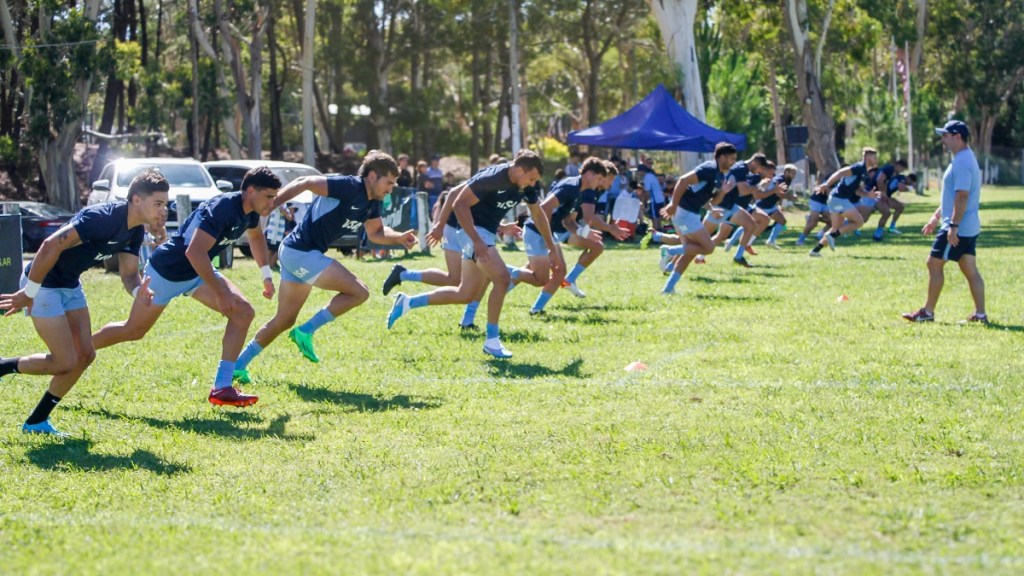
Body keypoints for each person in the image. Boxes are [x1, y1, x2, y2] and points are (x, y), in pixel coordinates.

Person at [90, 167, 282, 407]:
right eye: (269, 197)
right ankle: (80, 349)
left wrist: (266, 274)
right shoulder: (223, 208)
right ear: (251, 191)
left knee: (243, 312)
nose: (272, 203)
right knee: (133, 331)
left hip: (197, 271)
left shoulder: (250, 211)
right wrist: (221, 293)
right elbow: (194, 251)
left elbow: (255, 237)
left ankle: (222, 388)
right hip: (166, 271)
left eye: (275, 197)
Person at [0, 170, 170, 435]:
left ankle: (36, 421)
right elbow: (49, 246)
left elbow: (128, 274)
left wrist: (140, 294)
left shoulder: (134, 231)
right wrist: (28, 292)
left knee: (86, 354)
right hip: (43, 283)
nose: (163, 210)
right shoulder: (102, 218)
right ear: (137, 200)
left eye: (165, 204)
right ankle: (3, 366)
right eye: (158, 203)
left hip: (70, 284)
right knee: (64, 361)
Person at [232, 151, 417, 383]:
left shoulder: (372, 204)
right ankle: (306, 330)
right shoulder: (349, 186)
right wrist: (272, 204)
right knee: (359, 292)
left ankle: (238, 366)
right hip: (301, 252)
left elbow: (377, 233)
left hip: (297, 253)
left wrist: (399, 237)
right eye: (388, 182)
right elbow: (305, 182)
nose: (391, 188)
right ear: (371, 176)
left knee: (284, 320)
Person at [386, 150, 562, 358]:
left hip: (484, 233)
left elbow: (538, 214)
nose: (533, 184)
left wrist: (551, 245)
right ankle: (492, 341)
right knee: (502, 279)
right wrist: (474, 240)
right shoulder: (493, 177)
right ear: (518, 169)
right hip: (472, 232)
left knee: (465, 293)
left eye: (535, 180)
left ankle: (407, 302)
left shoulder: (527, 187)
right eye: (531, 178)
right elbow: (459, 203)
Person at [903, 120, 987, 324]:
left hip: (959, 226)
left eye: (945, 135)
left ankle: (928, 312)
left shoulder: (963, 162)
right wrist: (936, 216)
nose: (942, 139)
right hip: (965, 225)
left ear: (957, 136)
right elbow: (952, 196)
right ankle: (981, 315)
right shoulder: (962, 158)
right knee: (969, 268)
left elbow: (962, 197)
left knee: (933, 263)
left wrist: (953, 226)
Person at [520, 157, 627, 314]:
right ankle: (504, 273)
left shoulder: (579, 191)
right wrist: (549, 244)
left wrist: (585, 232)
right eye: (601, 178)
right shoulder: (573, 186)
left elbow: (569, 221)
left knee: (557, 271)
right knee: (539, 277)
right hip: (538, 231)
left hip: (552, 231)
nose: (603, 183)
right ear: (590, 174)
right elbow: (545, 208)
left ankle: (536, 309)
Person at [659, 142, 737, 295]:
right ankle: (670, 250)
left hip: (688, 215)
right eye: (731, 159)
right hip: (684, 213)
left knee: (689, 252)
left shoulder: (719, 175)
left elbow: (711, 199)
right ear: (722, 157)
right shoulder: (708, 169)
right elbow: (683, 180)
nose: (733, 162)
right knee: (708, 247)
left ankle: (668, 288)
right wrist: (673, 204)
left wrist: (720, 198)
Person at [809, 147, 878, 257]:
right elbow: (840, 172)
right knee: (859, 222)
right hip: (839, 199)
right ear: (867, 157)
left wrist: (867, 194)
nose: (876, 159)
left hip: (836, 199)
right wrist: (827, 184)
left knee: (834, 229)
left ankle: (815, 250)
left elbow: (856, 189)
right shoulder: (859, 167)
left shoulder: (864, 172)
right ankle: (832, 236)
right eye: (874, 157)